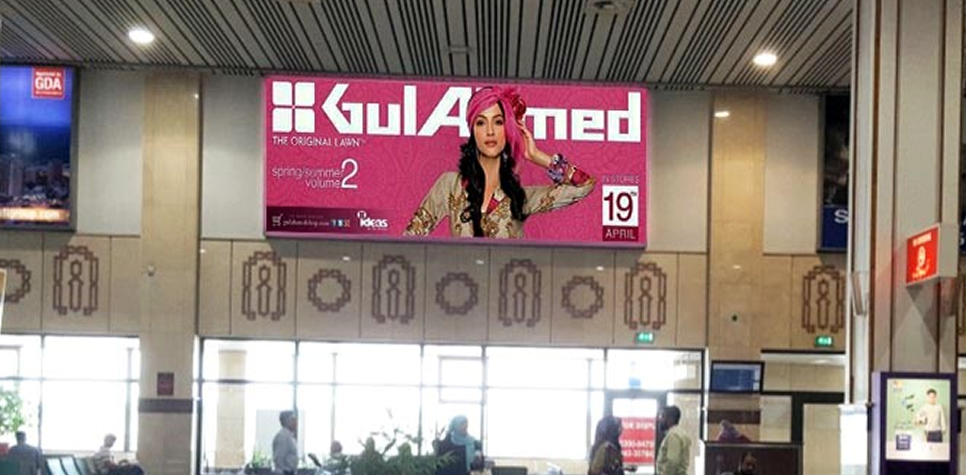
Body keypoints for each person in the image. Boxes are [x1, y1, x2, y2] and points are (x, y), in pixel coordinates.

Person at [405, 86, 595, 238]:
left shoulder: (521, 198)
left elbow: (585, 185)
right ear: (472, 130)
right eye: (481, 123)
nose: (490, 131)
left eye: (498, 122)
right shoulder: (450, 185)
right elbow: (409, 239)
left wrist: (536, 156)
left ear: (507, 129)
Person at [656, 406, 690, 475]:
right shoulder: (680, 433)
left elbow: (672, 461)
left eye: (663, 416)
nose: (660, 419)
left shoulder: (673, 436)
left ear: (670, 419)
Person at [273, 410, 299, 475]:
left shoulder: (289, 436)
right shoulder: (283, 436)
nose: (296, 423)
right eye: (293, 420)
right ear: (287, 421)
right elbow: (279, 458)